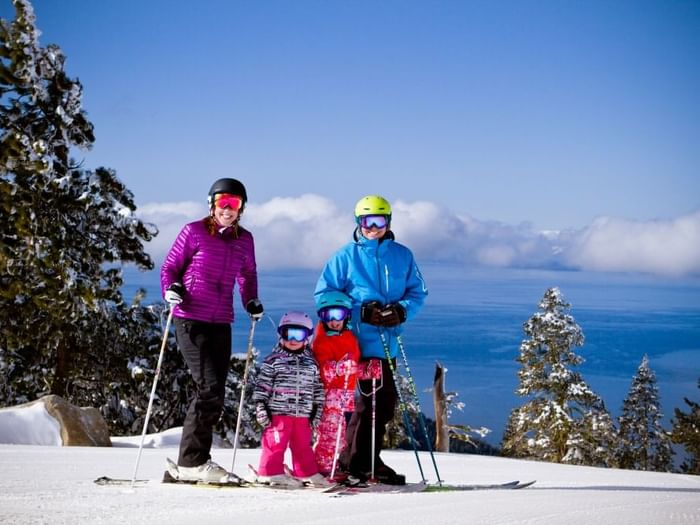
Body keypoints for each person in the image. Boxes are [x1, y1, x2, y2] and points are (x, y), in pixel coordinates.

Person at [314, 195, 428, 485]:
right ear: (358, 223)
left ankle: (360, 460)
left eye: (379, 221)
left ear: (389, 222)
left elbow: (417, 292)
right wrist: (359, 311)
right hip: (352, 342)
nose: (373, 228)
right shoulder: (345, 256)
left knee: (382, 403)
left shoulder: (402, 255)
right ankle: (360, 462)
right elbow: (324, 297)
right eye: (367, 222)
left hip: (386, 341)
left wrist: (401, 311)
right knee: (369, 402)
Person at [160, 177, 264, 483]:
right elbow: (169, 267)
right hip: (190, 317)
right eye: (223, 203)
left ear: (242, 208)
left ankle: (191, 462)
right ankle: (192, 462)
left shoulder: (245, 239)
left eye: (235, 204)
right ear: (212, 205)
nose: (229, 210)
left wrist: (251, 300)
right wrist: (171, 289)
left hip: (222, 322)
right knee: (209, 387)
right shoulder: (193, 232)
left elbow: (248, 275)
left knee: (215, 392)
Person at [252, 311, 330, 488]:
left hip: (303, 414)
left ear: (307, 338)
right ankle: (270, 472)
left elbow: (317, 389)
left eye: (298, 334)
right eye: (288, 334)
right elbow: (262, 387)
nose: (292, 339)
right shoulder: (274, 361)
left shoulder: (311, 364)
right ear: (281, 334)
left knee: (303, 445)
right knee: (275, 443)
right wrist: (261, 407)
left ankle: (305, 473)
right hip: (278, 413)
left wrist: (316, 411)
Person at [311, 291, 362, 477]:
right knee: (329, 434)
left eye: (338, 315)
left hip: (346, 395)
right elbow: (322, 370)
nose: (333, 320)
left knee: (340, 436)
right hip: (329, 396)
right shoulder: (321, 340)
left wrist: (363, 370)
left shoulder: (349, 337)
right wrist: (338, 368)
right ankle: (322, 468)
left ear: (346, 315)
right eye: (328, 315)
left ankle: (333, 465)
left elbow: (353, 364)